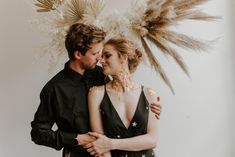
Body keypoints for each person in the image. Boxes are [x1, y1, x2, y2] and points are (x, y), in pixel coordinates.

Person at [31, 23, 162, 157]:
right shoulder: (54, 88)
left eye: (102, 53)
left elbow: (121, 99)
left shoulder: (101, 74)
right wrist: (77, 138)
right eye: (95, 53)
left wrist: (149, 109)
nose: (100, 58)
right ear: (78, 54)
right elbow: (38, 133)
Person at [86, 35, 160, 157]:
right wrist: (106, 145)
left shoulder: (149, 94)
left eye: (107, 55)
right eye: (102, 56)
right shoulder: (96, 94)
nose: (101, 60)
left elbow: (152, 140)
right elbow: (100, 144)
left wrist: (111, 143)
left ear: (123, 58)